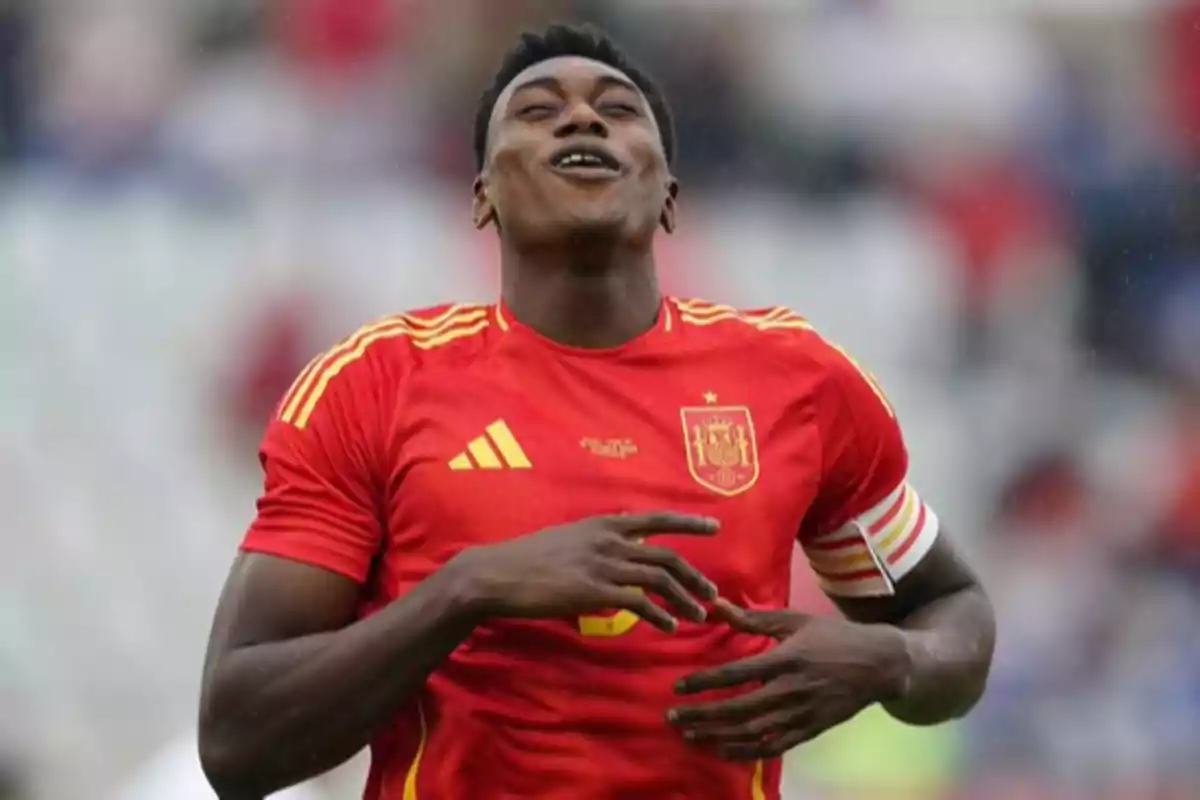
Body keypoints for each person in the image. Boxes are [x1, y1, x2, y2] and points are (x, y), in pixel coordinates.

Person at [198, 23, 996, 800]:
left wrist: (888, 660)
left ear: (670, 196)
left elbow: (952, 613)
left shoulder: (798, 382)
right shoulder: (374, 385)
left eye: (617, 110)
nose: (582, 117)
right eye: (538, 111)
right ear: (483, 197)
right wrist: (466, 590)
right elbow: (236, 743)